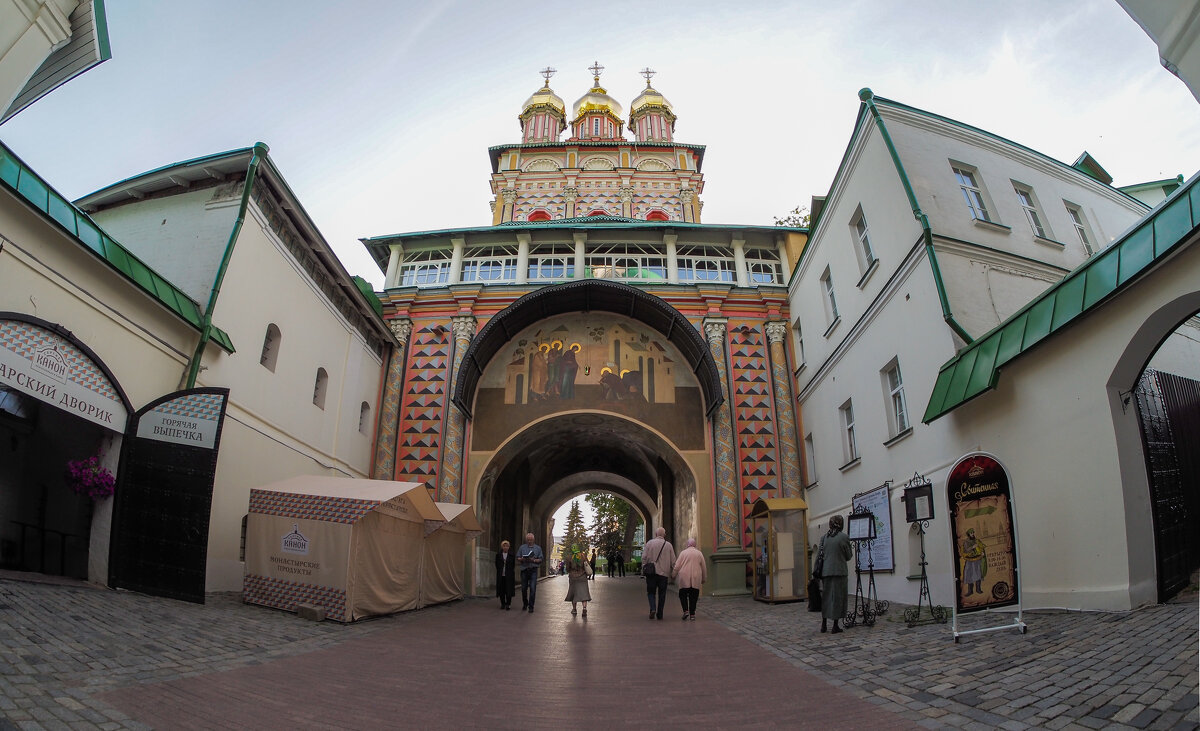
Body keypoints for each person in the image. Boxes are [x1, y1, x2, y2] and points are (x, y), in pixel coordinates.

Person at [818, 515, 853, 634]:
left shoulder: (824, 538)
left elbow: (819, 556)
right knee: (838, 598)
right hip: (839, 571)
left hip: (826, 572)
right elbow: (848, 556)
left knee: (826, 598)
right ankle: (835, 626)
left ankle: (823, 625)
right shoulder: (843, 537)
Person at [641, 527, 676, 620]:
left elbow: (644, 557)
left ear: (656, 534)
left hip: (651, 573)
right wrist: (674, 572)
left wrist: (644, 568)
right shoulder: (668, 545)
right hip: (663, 574)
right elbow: (673, 561)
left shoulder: (649, 543)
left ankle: (652, 608)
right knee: (662, 594)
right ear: (664, 535)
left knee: (651, 592)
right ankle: (660, 614)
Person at [672, 537, 707, 620]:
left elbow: (677, 566)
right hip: (696, 577)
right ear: (695, 545)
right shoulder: (699, 553)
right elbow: (703, 567)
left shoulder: (683, 553)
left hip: (684, 578)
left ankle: (685, 610)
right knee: (693, 597)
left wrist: (673, 575)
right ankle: (692, 614)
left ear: (687, 544)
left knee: (682, 595)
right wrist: (704, 578)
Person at [516, 532, 543, 613]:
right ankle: (525, 603)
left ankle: (531, 606)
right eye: (528, 540)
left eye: (531, 540)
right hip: (524, 569)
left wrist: (534, 560)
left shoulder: (538, 548)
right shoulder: (522, 547)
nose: (529, 541)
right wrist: (522, 559)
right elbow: (518, 557)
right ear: (526, 540)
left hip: (533, 570)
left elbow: (541, 559)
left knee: (533, 588)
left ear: (533, 540)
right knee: (523, 588)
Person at [563, 548, 593, 617]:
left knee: (574, 593)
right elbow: (588, 564)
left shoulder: (569, 557)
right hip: (582, 577)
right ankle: (584, 608)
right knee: (584, 593)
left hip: (573, 578)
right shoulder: (583, 556)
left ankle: (574, 609)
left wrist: (571, 571)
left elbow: (567, 569)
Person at [961, 528, 987, 597]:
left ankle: (978, 589)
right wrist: (972, 547)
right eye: (971, 533)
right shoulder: (966, 542)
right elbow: (966, 550)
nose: (973, 534)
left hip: (977, 560)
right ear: (968, 535)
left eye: (973, 533)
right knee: (969, 575)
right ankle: (970, 591)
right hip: (970, 561)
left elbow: (981, 547)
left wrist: (982, 553)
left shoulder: (977, 540)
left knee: (978, 573)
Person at [495, 540, 516, 610]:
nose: (505, 547)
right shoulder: (498, 555)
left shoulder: (511, 555)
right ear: (502, 547)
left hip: (509, 575)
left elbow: (513, 565)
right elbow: (496, 564)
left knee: (508, 590)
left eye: (507, 546)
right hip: (501, 575)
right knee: (501, 590)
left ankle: (508, 604)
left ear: (509, 547)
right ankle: (502, 603)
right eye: (504, 546)